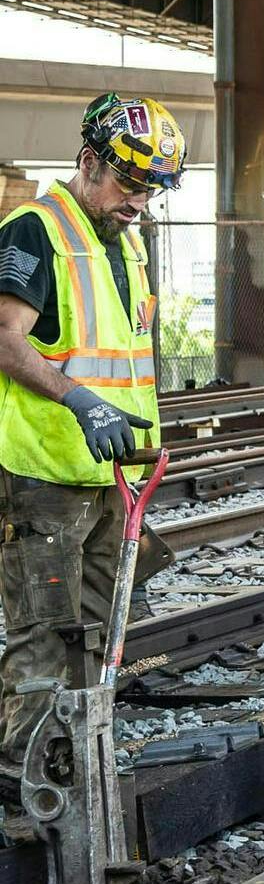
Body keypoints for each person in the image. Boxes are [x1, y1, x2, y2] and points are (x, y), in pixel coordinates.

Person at [0, 96, 184, 806]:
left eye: (151, 189)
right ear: (87, 163)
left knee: (98, 631)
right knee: (42, 639)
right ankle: (30, 795)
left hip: (112, 473)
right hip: (44, 475)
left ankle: (65, 766)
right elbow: (6, 338)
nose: (139, 201)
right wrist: (78, 399)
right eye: (130, 184)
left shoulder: (125, 239)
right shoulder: (36, 230)